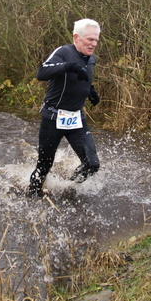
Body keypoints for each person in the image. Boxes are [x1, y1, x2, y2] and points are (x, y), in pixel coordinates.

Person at [27, 18, 102, 197]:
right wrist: (70, 67)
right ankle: (31, 196)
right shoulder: (63, 52)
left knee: (92, 164)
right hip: (53, 118)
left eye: (96, 40)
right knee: (44, 165)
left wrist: (90, 90)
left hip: (76, 118)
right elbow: (41, 73)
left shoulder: (92, 59)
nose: (94, 44)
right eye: (90, 39)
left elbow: (84, 77)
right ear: (76, 37)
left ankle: (68, 188)